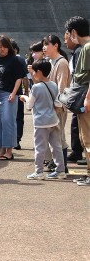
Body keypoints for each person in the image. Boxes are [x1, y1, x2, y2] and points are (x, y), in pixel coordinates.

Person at [19, 60, 66, 180]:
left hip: (41, 122)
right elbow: (57, 102)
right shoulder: (54, 85)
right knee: (56, 146)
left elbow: (30, 105)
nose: (33, 74)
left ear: (39, 72)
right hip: (54, 120)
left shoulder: (36, 87)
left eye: (34, 72)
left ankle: (38, 172)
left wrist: (24, 97)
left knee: (40, 147)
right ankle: (60, 170)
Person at [66, 16, 90, 186]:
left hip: (86, 101)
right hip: (84, 99)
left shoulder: (87, 48)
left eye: (68, 33)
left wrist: (88, 98)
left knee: (87, 139)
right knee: (84, 138)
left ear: (74, 32)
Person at [43, 34, 70, 170]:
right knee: (54, 137)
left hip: (57, 107)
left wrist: (57, 105)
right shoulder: (51, 62)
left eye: (47, 44)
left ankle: (62, 166)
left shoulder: (62, 63)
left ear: (56, 45)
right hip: (51, 106)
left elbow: (62, 87)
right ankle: (58, 164)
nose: (44, 47)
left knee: (58, 137)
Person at [64, 29, 85, 164]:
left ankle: (78, 152)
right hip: (80, 95)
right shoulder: (77, 52)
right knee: (77, 124)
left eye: (66, 38)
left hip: (81, 96)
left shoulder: (80, 51)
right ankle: (77, 151)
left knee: (81, 127)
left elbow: (80, 77)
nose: (65, 41)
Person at [12, 39, 31, 150]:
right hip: (17, 93)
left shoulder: (18, 60)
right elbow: (25, 78)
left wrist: (26, 91)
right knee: (18, 117)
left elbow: (24, 78)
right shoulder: (21, 60)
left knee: (15, 117)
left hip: (15, 93)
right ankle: (16, 140)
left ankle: (15, 140)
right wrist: (26, 90)